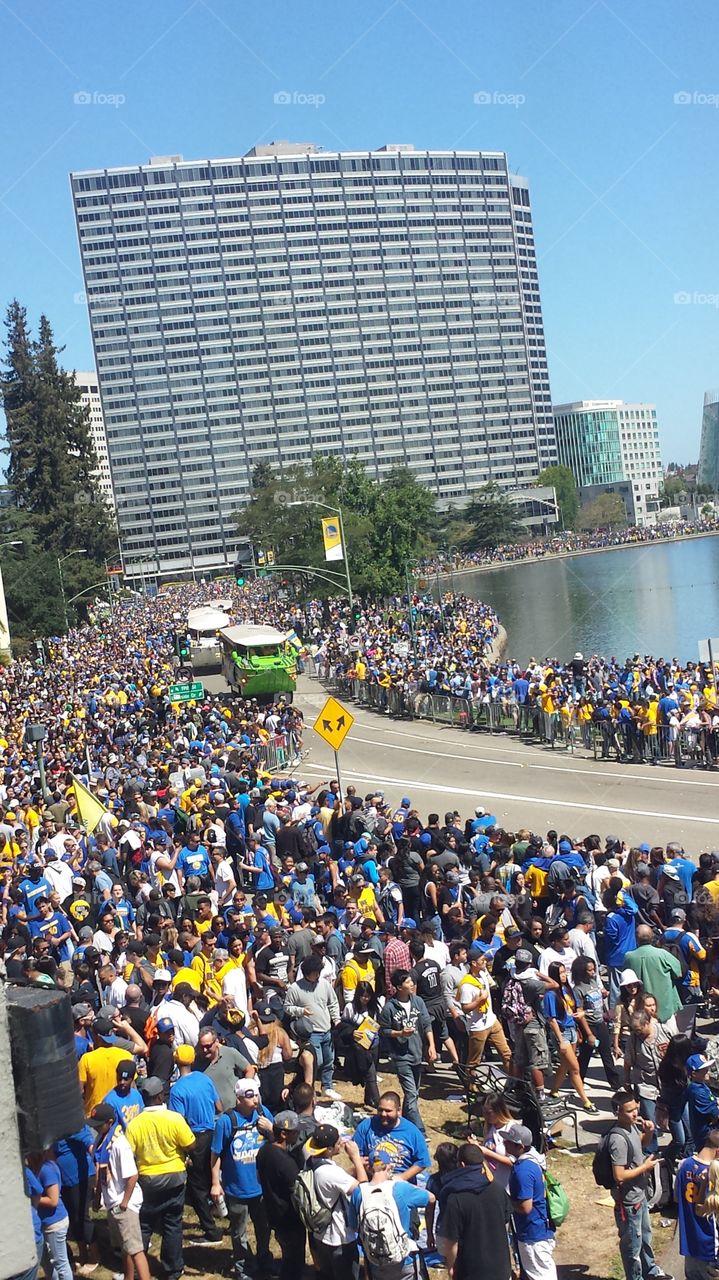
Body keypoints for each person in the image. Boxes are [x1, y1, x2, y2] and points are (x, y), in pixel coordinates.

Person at [125, 1075, 195, 1280]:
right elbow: (191, 1144)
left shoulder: (135, 1124)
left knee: (144, 1225)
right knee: (173, 1224)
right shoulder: (174, 1118)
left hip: (148, 1181)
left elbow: (129, 1152)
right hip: (175, 1177)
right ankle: (173, 1269)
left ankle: (139, 1267)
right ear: (160, 1096)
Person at [210, 1077, 274, 1280]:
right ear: (238, 1098)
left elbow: (279, 1144)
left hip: (261, 1187)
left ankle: (265, 1259)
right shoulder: (227, 1121)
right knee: (239, 1231)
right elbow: (215, 1154)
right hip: (237, 1188)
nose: (254, 1099)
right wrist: (215, 1183)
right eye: (249, 1095)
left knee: (264, 1227)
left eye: (256, 1094)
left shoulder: (264, 1115)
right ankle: (243, 1267)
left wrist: (271, 1130)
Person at [607, 1087, 670, 1280]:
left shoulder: (632, 1126)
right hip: (628, 1202)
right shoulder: (617, 1140)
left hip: (639, 1195)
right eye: (629, 1110)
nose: (635, 1113)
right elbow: (619, 1175)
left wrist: (649, 1133)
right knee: (632, 1246)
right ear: (618, 1113)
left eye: (636, 1108)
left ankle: (650, 1272)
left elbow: (639, 1144)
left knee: (645, 1237)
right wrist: (645, 1167)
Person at [168, 1043, 222, 1244]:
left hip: (193, 1138)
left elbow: (177, 1122)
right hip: (212, 1134)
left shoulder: (177, 1090)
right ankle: (220, 1212)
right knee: (211, 1176)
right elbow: (219, 1106)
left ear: (176, 1060)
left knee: (197, 1187)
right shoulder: (205, 1079)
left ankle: (211, 1231)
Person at [352, 1148, 434, 1280]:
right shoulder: (399, 1188)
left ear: (369, 1168)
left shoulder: (359, 1192)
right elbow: (431, 1198)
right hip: (404, 1259)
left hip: (375, 1259)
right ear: (389, 1166)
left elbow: (354, 1225)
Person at [90, 1103, 151, 1280]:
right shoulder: (101, 1140)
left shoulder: (119, 1144)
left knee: (135, 1250)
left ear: (110, 1122)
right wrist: (98, 1197)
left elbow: (133, 1175)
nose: (95, 1126)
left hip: (125, 1204)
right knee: (124, 1248)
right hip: (112, 1201)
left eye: (98, 1123)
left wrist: (124, 1202)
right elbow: (101, 1170)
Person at [303, 1123, 368, 1280]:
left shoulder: (310, 1161)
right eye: (338, 1142)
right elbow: (364, 1191)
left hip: (321, 1234)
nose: (342, 1143)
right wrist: (356, 1160)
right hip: (339, 1237)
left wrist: (353, 1170)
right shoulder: (330, 1172)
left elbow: (333, 1184)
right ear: (329, 1149)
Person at [440, 1142, 512, 1280]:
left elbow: (451, 1241)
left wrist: (451, 1267)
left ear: (461, 1165)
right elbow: (505, 1221)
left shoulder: (454, 1198)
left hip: (471, 1271)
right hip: (500, 1268)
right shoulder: (497, 1189)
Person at [378, 970, 436, 1133]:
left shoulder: (418, 1002)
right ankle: (419, 1130)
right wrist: (400, 1033)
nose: (412, 984)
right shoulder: (390, 1007)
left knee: (414, 1094)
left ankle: (401, 1122)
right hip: (400, 1056)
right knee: (411, 1093)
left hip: (417, 1053)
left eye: (412, 981)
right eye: (408, 982)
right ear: (398, 987)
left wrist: (431, 1045)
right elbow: (383, 1030)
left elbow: (426, 1024)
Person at [255, 1110, 305, 1280]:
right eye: (295, 1132)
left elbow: (259, 1179)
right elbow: (299, 1191)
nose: (297, 1135)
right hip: (289, 1219)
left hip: (273, 1215)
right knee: (294, 1265)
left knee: (287, 1259)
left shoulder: (264, 1152)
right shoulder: (286, 1163)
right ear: (283, 1133)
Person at [284, 952, 341, 1099]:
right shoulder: (295, 988)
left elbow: (333, 1002)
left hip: (326, 1029)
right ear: (307, 973)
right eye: (315, 973)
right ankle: (309, 1086)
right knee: (317, 1061)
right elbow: (287, 1007)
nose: (318, 975)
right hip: (311, 1032)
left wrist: (336, 1019)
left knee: (329, 1059)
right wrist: (301, 1011)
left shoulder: (324, 985)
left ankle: (327, 1086)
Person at [505, 1122, 557, 1280]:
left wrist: (506, 1201)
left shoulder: (524, 1171)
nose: (504, 1143)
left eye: (509, 1141)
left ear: (519, 1146)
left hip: (533, 1234)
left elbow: (525, 1207)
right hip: (538, 1229)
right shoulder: (533, 1161)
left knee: (540, 1275)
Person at [543, 961, 597, 1112]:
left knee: (566, 1064)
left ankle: (554, 1090)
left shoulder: (567, 989)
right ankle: (585, 1102)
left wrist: (581, 1014)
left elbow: (574, 1008)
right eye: (560, 973)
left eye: (564, 972)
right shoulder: (550, 995)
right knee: (575, 1068)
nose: (564, 976)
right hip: (562, 1032)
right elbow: (552, 1020)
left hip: (572, 1029)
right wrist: (560, 1040)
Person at [456, 948, 512, 1073]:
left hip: (492, 1021)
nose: (485, 962)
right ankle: (471, 1087)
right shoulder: (467, 985)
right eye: (482, 960)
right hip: (478, 1027)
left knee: (507, 1054)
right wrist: (479, 1000)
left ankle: (514, 1084)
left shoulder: (482, 974)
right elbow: (465, 1008)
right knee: (474, 1060)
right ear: (473, 964)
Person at [353, 1091, 430, 1179]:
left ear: (399, 1111)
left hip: (400, 1181)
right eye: (380, 1110)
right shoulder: (367, 1126)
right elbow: (354, 1153)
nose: (383, 1114)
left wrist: (402, 1177)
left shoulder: (412, 1131)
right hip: (372, 1179)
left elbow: (423, 1161)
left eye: (388, 1111)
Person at [675, 1128, 719, 1280]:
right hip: (708, 1240)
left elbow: (676, 1198)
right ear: (718, 1152)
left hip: (689, 1237)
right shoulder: (714, 1175)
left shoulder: (683, 1165)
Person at [26, 1149, 74, 1280]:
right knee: (47, 1263)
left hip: (55, 1222)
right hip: (45, 1222)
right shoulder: (34, 1169)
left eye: (28, 1153)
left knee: (60, 1263)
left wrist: (29, 1199)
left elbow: (53, 1200)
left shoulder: (47, 1169)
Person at [625, 924, 682, 1025]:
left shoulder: (629, 957)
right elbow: (678, 973)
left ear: (636, 938)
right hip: (665, 1007)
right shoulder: (662, 954)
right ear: (652, 937)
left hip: (642, 1011)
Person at [685, 1055, 719, 1152]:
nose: (707, 1070)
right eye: (704, 1069)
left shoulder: (701, 1085)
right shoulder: (698, 1092)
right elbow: (715, 1115)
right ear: (694, 1074)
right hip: (707, 1136)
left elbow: (712, 1101)